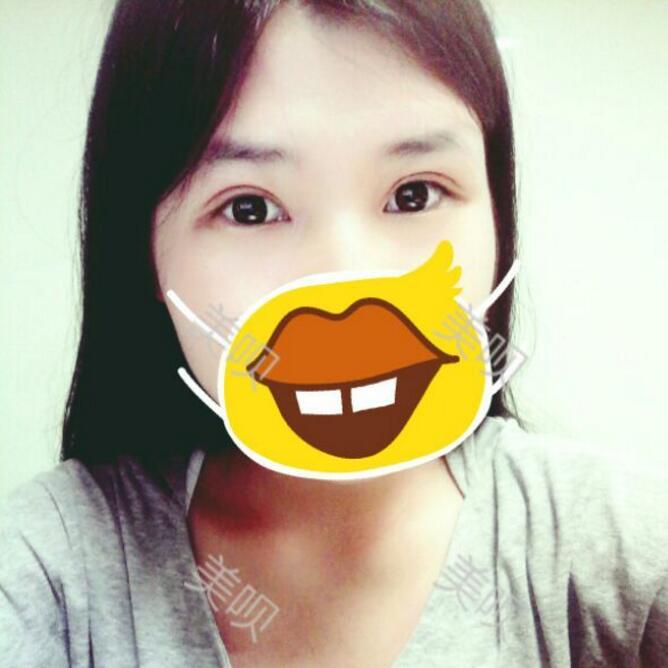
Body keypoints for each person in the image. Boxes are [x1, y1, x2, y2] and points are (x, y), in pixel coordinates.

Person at [1, 1, 666, 666]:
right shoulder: (54, 568)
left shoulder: (603, 550)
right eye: (249, 208)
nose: (350, 280)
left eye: (414, 194)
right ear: (143, 251)